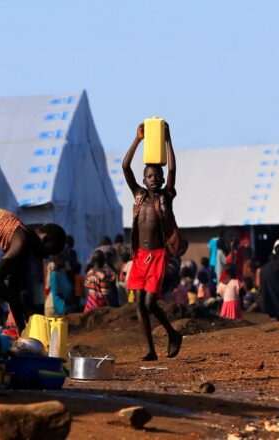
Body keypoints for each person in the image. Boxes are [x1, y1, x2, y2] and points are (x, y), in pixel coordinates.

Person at [122, 121, 183, 361]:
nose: (154, 179)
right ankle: (151, 350)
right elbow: (125, 166)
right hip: (139, 256)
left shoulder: (166, 196)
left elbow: (173, 170)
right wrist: (138, 139)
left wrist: (168, 140)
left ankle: (172, 334)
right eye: (149, 176)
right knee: (139, 303)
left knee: (148, 302)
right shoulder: (138, 195)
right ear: (144, 179)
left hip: (157, 256)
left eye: (157, 176)